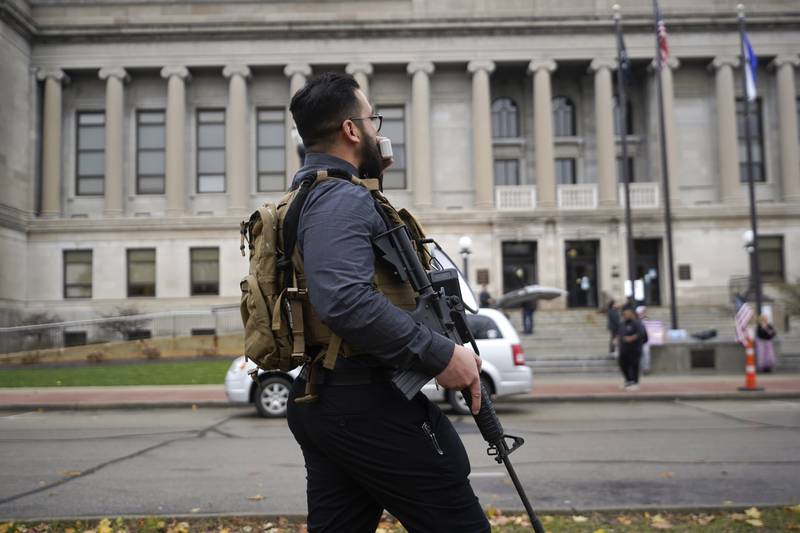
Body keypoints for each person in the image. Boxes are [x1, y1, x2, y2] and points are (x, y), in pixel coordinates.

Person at [284, 73, 490, 533]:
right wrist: (440, 355)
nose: (380, 132)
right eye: (372, 120)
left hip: (331, 395)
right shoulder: (340, 199)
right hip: (366, 400)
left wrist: (367, 175)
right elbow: (345, 301)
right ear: (351, 131)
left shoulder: (320, 194)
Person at [616, 307, 646, 390]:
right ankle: (628, 381)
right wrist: (616, 339)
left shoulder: (637, 323)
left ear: (631, 314)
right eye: (624, 314)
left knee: (634, 365)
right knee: (623, 364)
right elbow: (619, 333)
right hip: (624, 349)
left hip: (634, 348)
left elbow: (641, 333)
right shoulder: (622, 323)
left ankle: (635, 382)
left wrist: (632, 337)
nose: (625, 315)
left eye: (627, 314)